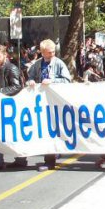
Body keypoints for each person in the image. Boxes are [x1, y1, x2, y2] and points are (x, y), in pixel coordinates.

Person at [26, 39, 71, 170]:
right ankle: (49, 159)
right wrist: (31, 81)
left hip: (55, 102)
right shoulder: (37, 64)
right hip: (42, 102)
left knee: (54, 128)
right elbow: (31, 76)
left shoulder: (59, 63)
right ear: (42, 52)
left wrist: (52, 81)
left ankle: (52, 158)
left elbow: (67, 80)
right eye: (49, 52)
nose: (52, 54)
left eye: (52, 52)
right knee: (46, 129)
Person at [0, 44, 25, 171]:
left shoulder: (11, 68)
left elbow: (17, 86)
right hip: (0, 105)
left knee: (12, 133)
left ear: (5, 55)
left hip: (10, 105)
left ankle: (20, 159)